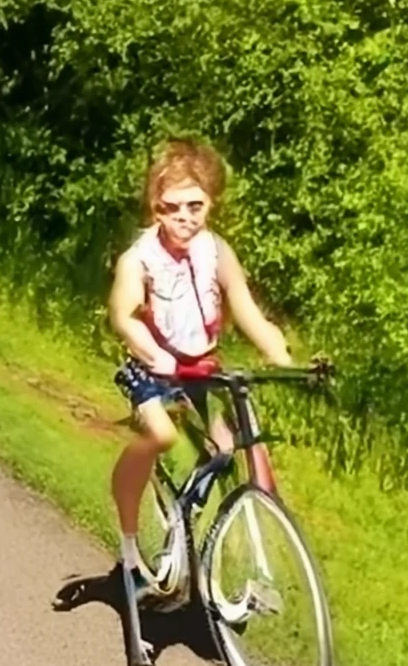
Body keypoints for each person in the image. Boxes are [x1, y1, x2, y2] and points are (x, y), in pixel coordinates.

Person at [107, 136, 292, 598]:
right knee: (162, 435)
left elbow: (247, 311)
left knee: (230, 447)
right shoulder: (141, 258)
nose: (184, 218)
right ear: (155, 207)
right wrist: (157, 355)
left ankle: (189, 517)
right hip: (152, 370)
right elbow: (124, 317)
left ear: (210, 203)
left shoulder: (216, 251)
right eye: (172, 208)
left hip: (201, 369)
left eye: (195, 206)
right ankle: (130, 544)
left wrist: (284, 360)